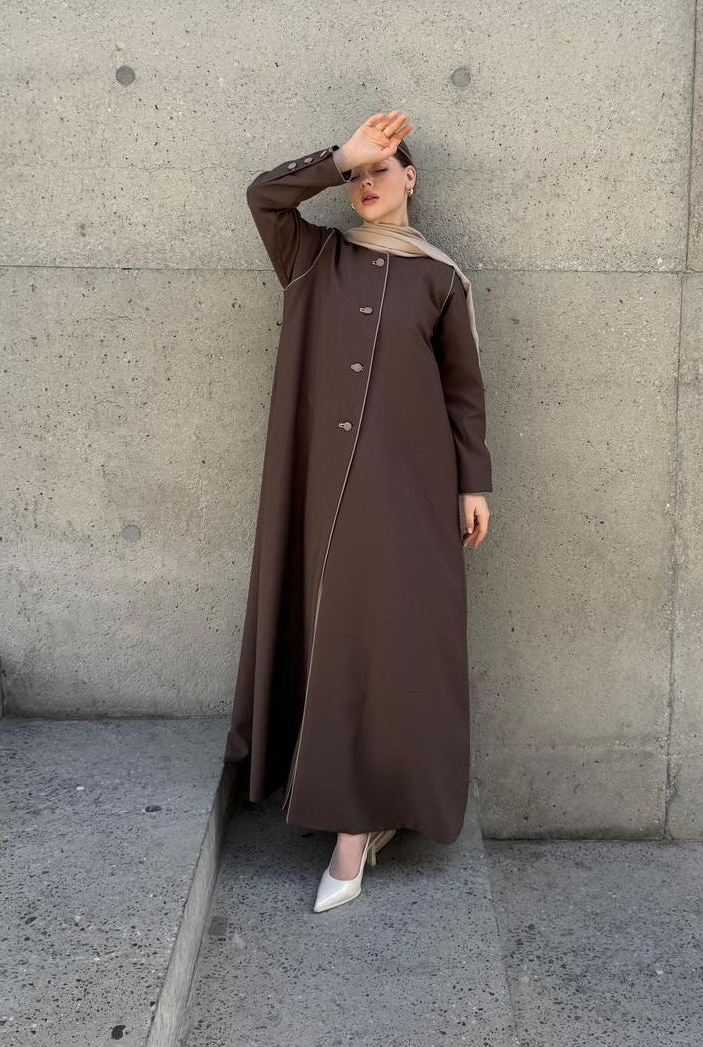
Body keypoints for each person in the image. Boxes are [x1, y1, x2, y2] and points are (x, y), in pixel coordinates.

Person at [223, 111, 492, 912]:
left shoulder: (440, 278)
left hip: (413, 494)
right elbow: (264, 196)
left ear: (411, 179)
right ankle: (351, 821)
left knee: (403, 647)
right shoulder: (313, 257)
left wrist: (472, 483)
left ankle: (375, 815)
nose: (368, 183)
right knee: (340, 641)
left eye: (384, 167)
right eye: (357, 175)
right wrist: (341, 154)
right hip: (321, 495)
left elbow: (462, 390)